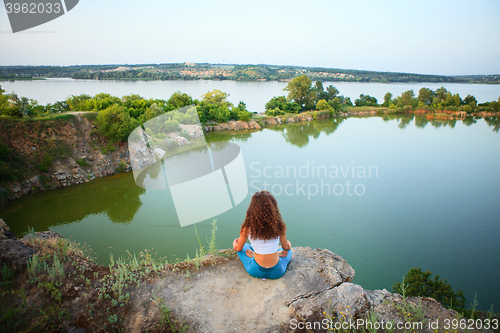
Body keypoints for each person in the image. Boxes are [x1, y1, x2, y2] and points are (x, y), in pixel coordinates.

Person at [232, 191, 292, 279]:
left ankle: (254, 255)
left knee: (244, 246)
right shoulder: (279, 226)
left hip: (255, 270)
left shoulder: (247, 227)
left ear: (252, 209)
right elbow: (286, 247)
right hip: (277, 272)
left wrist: (234, 245)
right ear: (273, 208)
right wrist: (289, 245)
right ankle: (276, 254)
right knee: (288, 252)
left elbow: (238, 248)